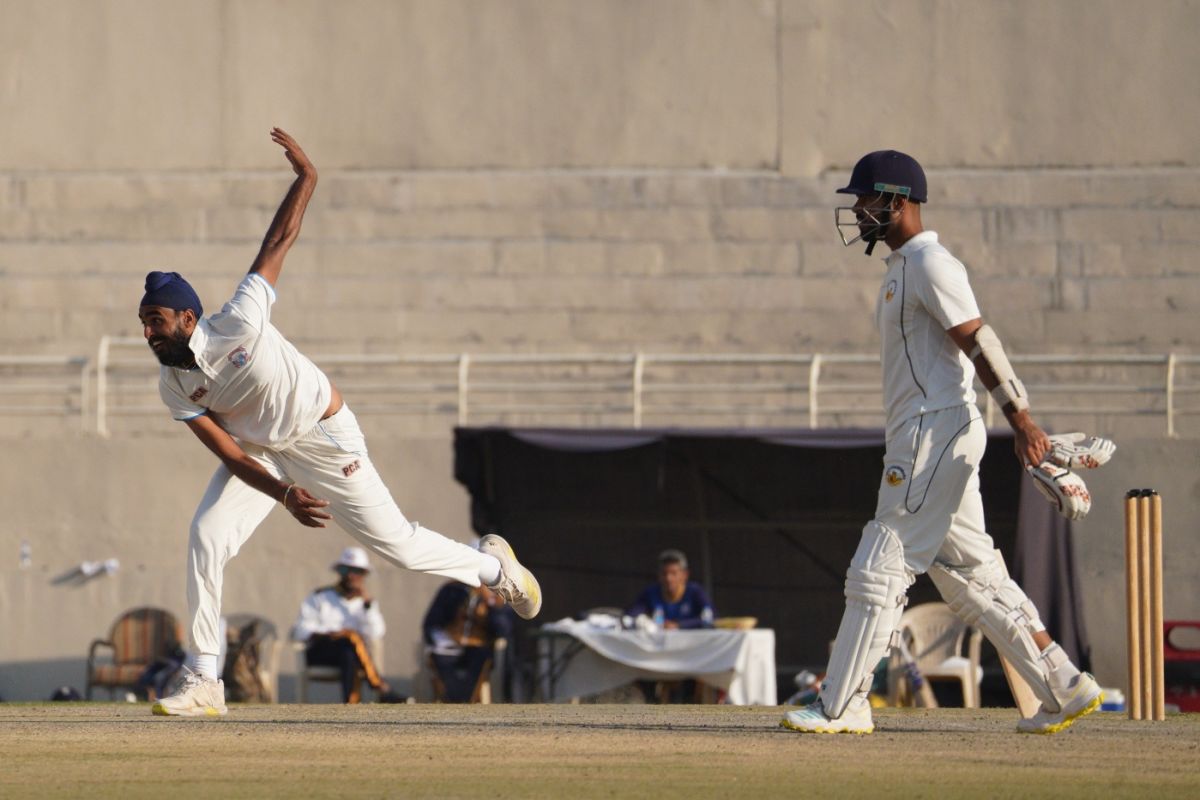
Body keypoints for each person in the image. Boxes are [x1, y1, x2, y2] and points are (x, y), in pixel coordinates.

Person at [139, 128, 541, 717]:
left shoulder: (239, 321)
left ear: (187, 316)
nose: (147, 333)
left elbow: (278, 241)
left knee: (398, 546)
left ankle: (494, 568)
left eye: (155, 320)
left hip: (324, 437)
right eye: (143, 323)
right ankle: (204, 681)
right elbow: (229, 454)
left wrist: (307, 179)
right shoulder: (172, 382)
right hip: (266, 457)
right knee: (204, 536)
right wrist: (282, 495)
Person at [781, 150, 1102, 735]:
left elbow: (981, 341)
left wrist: (1023, 419)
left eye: (865, 199)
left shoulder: (932, 264)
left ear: (897, 201)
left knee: (882, 562)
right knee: (973, 579)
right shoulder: (902, 267)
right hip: (929, 434)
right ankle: (1064, 683)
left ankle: (842, 704)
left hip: (932, 435)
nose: (857, 210)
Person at [293, 546, 402, 703]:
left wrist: (368, 607)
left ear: (364, 575)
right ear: (339, 572)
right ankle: (379, 686)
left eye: (357, 571)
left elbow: (376, 633)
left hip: (351, 654)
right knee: (351, 639)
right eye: (346, 570)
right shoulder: (320, 596)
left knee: (349, 650)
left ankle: (352, 705)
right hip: (322, 651)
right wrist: (331, 633)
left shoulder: (366, 603)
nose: (351, 576)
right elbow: (300, 630)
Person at [422, 577, 515, 703]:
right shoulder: (452, 589)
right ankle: (455, 700)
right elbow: (431, 622)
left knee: (479, 664)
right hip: (450, 644)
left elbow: (503, 630)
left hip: (478, 645)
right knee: (442, 663)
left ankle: (464, 701)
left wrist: (491, 604)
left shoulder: (499, 593)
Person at [626, 549, 714, 630]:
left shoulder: (695, 592)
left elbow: (710, 618)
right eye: (664, 574)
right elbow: (631, 615)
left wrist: (679, 625)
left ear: (685, 575)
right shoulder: (650, 593)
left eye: (674, 573)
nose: (668, 578)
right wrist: (646, 622)